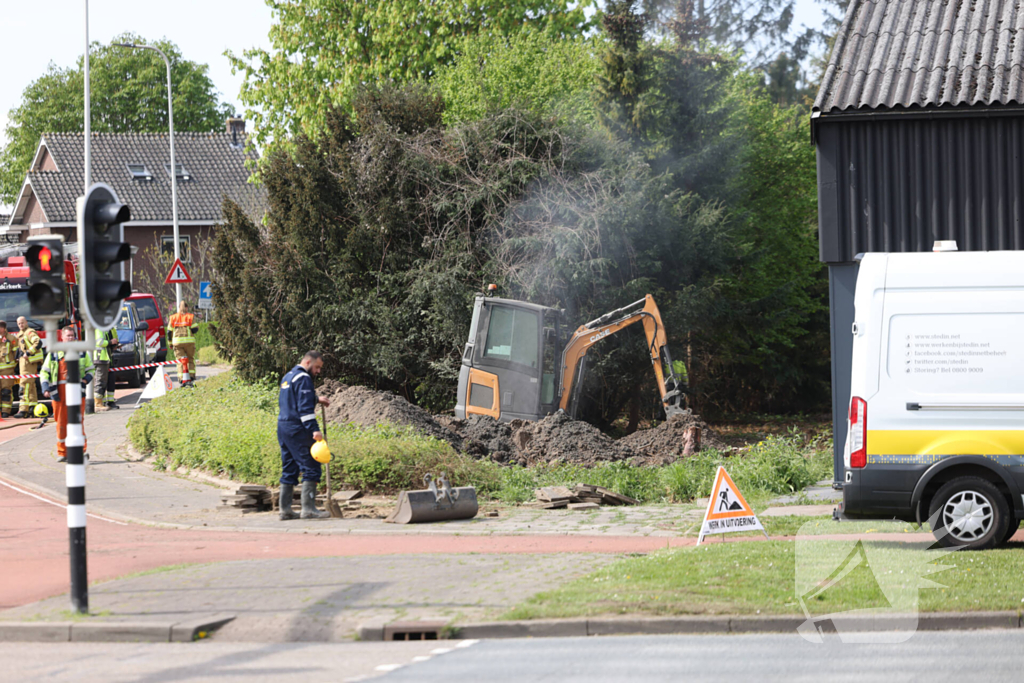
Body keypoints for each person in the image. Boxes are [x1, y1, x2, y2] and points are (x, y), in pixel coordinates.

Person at [277, 351, 331, 520]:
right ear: (308, 362)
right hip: (298, 428)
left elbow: (294, 400)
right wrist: (314, 429)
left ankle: (285, 510)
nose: (318, 371)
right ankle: (308, 509)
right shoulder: (304, 379)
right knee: (312, 466)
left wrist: (316, 399)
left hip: (283, 427)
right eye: (317, 367)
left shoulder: (288, 376)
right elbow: (304, 409)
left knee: (289, 468)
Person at [40, 327, 94, 463]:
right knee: (61, 423)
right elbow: (44, 372)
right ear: (62, 338)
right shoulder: (53, 354)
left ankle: (80, 452)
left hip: (77, 393)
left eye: (72, 336)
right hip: (59, 394)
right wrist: (45, 388)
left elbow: (91, 370)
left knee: (78, 423)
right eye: (68, 336)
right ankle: (62, 452)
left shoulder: (81, 353)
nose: (70, 338)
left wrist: (85, 380)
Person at [14, 316, 44, 418]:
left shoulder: (30, 332)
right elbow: (21, 347)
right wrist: (18, 357)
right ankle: (32, 407)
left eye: (22, 322)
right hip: (24, 362)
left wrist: (28, 353)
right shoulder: (20, 334)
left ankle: (23, 410)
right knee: (31, 385)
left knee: (24, 384)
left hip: (29, 362)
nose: (21, 325)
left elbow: (38, 342)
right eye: (19, 323)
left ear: (26, 322)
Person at [166, 301, 197, 387]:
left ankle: (181, 379)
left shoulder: (173, 318)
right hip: (189, 342)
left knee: (180, 361)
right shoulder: (190, 317)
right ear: (186, 308)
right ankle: (191, 377)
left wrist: (170, 343)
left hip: (178, 343)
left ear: (179, 307)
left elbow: (169, 332)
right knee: (190, 359)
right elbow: (195, 329)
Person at [93, 326, 119, 411]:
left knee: (108, 380)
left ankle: (107, 402)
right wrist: (110, 342)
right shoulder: (99, 329)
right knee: (100, 381)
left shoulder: (110, 329)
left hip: (107, 357)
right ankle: (98, 403)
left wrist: (114, 344)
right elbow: (100, 342)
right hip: (100, 358)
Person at [0, 321, 18, 417]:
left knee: (6, 391)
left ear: (3, 328)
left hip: (7, 370)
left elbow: (16, 354)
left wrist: (15, 366)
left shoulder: (11, 339)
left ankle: (5, 411)